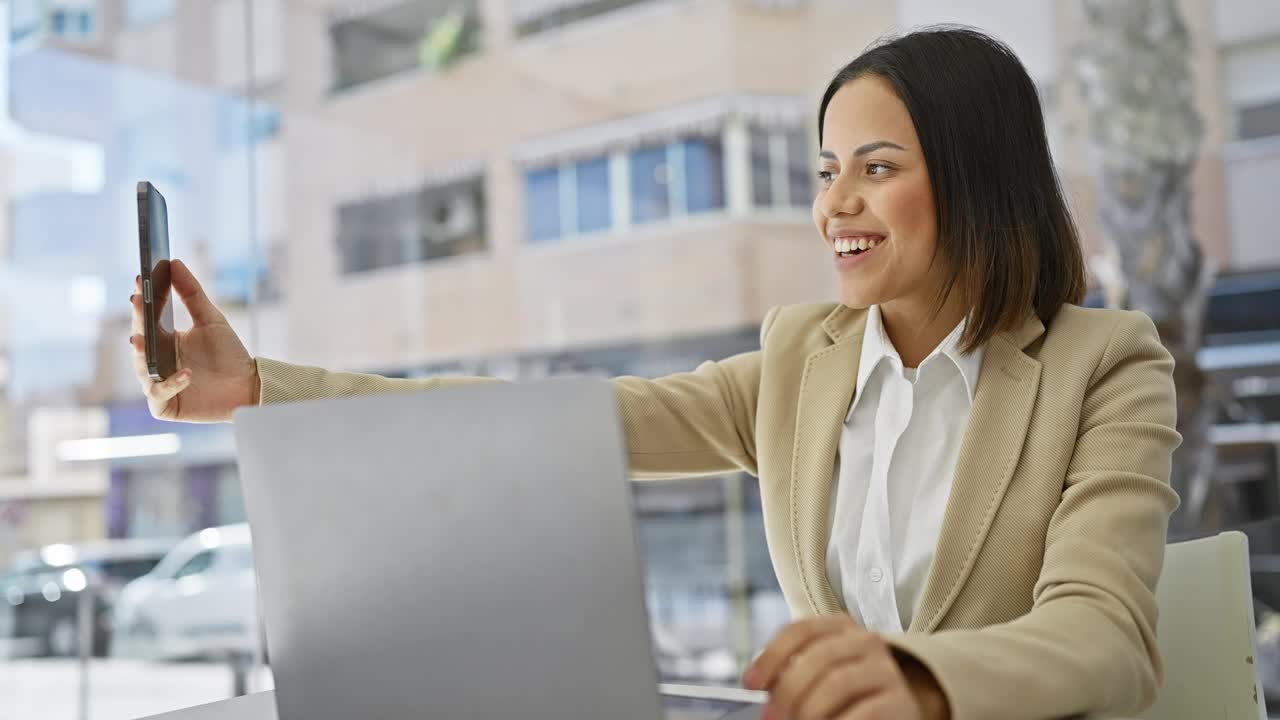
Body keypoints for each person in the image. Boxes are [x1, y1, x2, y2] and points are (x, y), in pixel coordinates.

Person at [128, 27, 1180, 720]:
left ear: (975, 180)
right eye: (825, 172)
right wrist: (260, 386)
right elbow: (529, 424)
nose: (835, 205)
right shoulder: (795, 365)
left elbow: (1104, 635)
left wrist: (917, 680)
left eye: (876, 169)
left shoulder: (1102, 365)